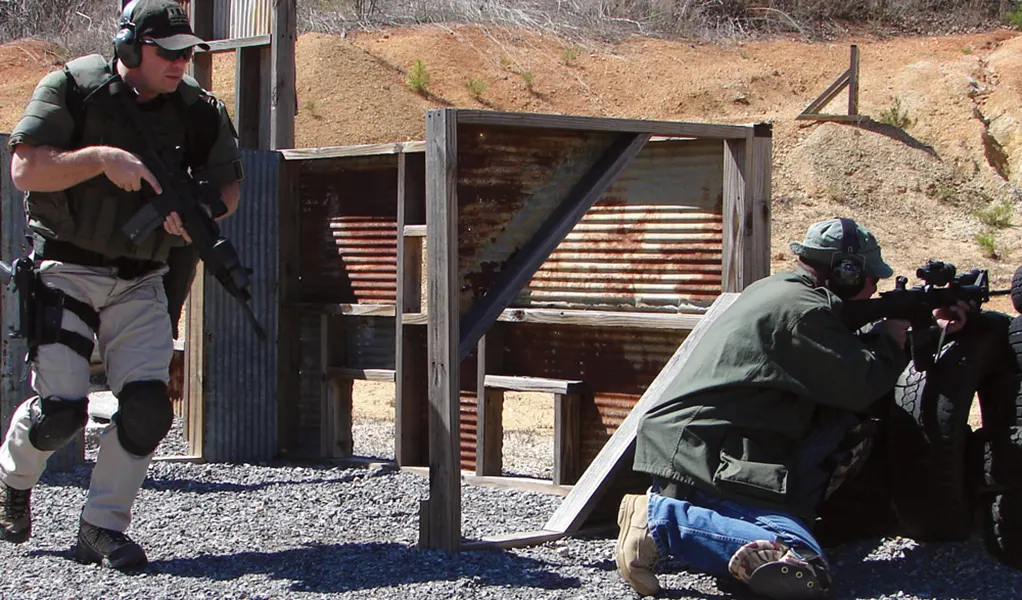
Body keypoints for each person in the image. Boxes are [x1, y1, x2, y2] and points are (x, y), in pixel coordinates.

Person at [0, 0, 242, 570]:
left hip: (143, 278)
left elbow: (228, 185)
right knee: (60, 412)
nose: (181, 63)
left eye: (188, 53)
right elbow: (25, 169)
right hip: (66, 269)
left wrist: (200, 211)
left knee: (146, 410)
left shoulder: (198, 110)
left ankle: (101, 528)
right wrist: (101, 159)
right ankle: (11, 482)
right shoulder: (71, 87)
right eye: (168, 52)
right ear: (131, 48)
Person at [615, 218, 970, 599]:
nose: (874, 289)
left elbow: (832, 352)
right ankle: (662, 523)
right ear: (846, 272)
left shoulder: (779, 290)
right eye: (870, 278)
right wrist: (890, 338)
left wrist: (918, 324)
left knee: (790, 529)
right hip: (709, 456)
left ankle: (690, 524)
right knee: (800, 563)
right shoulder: (803, 312)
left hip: (698, 450)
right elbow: (859, 385)